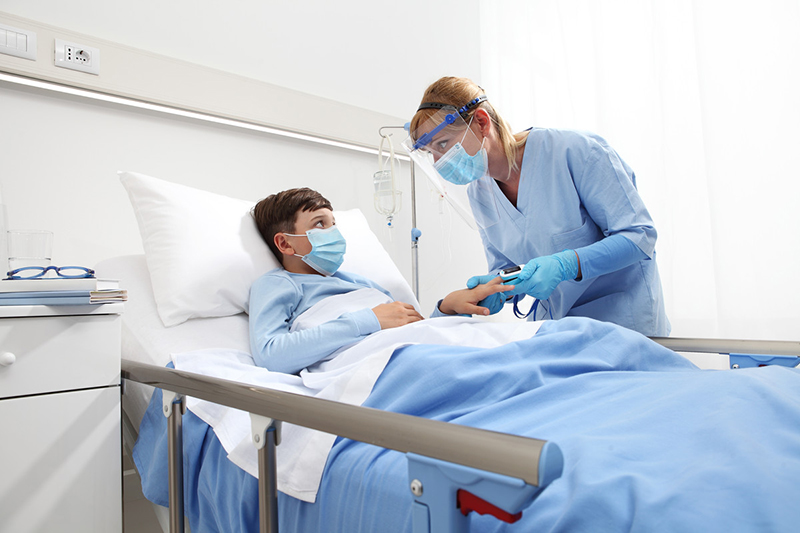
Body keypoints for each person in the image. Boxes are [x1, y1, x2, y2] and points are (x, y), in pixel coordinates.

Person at [406, 76, 670, 336]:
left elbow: (639, 236)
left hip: (623, 326)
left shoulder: (576, 152)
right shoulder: (479, 193)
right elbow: (507, 265)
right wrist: (497, 287)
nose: (440, 161)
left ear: (481, 123)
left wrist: (566, 264)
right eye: (432, 153)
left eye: (443, 144)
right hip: (557, 331)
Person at [249, 187, 511, 374]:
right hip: (388, 364)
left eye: (333, 224)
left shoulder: (362, 283)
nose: (333, 233)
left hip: (419, 350)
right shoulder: (279, 284)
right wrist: (369, 319)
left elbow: (416, 330)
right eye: (320, 224)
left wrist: (447, 309)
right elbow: (272, 355)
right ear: (285, 243)